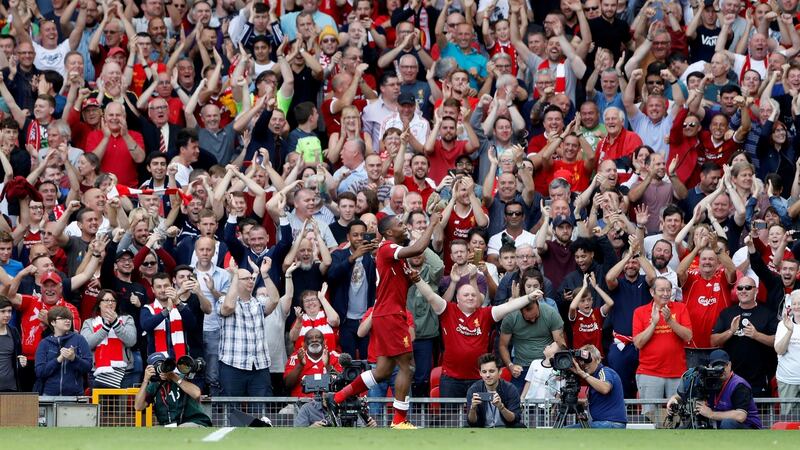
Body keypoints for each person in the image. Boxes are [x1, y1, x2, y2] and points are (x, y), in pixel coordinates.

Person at [328, 213, 441, 429]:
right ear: (388, 232)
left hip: (386, 314)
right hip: (390, 315)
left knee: (383, 371)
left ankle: (337, 398)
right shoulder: (388, 247)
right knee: (407, 365)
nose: (404, 226)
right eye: (399, 224)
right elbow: (417, 249)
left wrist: (412, 280)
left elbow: (397, 285)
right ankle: (399, 420)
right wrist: (433, 224)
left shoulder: (394, 256)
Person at [666, 349, 762, 429]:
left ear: (729, 365)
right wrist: (674, 399)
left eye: (723, 365)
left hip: (748, 428)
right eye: (716, 366)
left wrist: (711, 414)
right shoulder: (707, 380)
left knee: (727, 423)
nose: (721, 370)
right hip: (719, 427)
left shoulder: (739, 385)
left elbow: (740, 416)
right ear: (710, 367)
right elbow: (684, 393)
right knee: (684, 429)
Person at [133, 353, 212, 427]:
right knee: (153, 432)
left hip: (193, 421)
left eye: (163, 365)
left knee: (181, 429)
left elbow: (197, 393)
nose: (162, 369)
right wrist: (145, 380)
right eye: (157, 367)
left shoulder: (180, 377)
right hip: (170, 425)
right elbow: (138, 406)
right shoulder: (153, 386)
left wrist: (173, 377)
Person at [34, 306, 91, 395]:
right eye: (63, 318)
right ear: (53, 322)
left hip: (74, 396)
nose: (68, 321)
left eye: (69, 318)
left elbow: (88, 366)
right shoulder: (44, 343)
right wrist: (58, 360)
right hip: (49, 395)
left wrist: (74, 358)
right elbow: (40, 371)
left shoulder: (79, 339)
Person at [569, 344, 627, 429]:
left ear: (598, 359)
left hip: (610, 423)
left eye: (587, 360)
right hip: (604, 423)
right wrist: (571, 400)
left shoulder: (604, 371)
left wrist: (582, 374)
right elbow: (591, 401)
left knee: (565, 431)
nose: (584, 364)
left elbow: (605, 388)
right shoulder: (594, 377)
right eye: (581, 360)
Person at [466, 353, 523, 428]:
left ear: (500, 372)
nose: (487, 375)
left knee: (519, 427)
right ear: (480, 373)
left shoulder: (510, 389)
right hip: (482, 429)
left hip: (506, 428)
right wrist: (473, 408)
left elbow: (514, 419)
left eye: (491, 371)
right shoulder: (474, 389)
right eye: (484, 372)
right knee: (466, 428)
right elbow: (472, 422)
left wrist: (501, 407)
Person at [0, 297, 24, 391]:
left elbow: (18, 356)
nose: (7, 315)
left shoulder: (13, 331)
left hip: (10, 387)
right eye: (3, 311)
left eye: (9, 311)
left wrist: (21, 361)